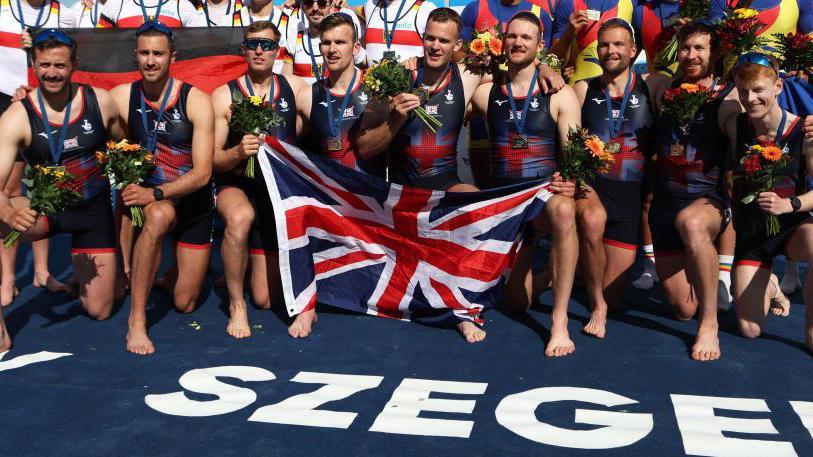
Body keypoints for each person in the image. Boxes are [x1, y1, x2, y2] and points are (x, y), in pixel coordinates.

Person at [470, 12, 580, 357]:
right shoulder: (487, 91)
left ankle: (559, 321)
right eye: (512, 36)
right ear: (502, 41)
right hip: (506, 202)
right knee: (519, 303)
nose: (518, 43)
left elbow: (575, 155)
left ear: (541, 45)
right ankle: (548, 272)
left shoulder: (560, 94)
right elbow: (451, 75)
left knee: (564, 211)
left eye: (526, 38)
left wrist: (570, 180)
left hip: (543, 197)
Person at [0, 30, 123, 324]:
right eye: (44, 65)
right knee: (2, 218)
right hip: (47, 209)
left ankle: (88, 277)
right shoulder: (17, 116)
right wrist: (7, 211)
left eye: (60, 66)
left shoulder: (100, 101)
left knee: (100, 311)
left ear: (74, 65)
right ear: (33, 64)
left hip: (93, 212)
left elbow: (126, 145)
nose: (52, 74)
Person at [110, 21, 214, 355]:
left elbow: (202, 173)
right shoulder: (122, 96)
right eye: (144, 53)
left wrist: (154, 193)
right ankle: (137, 320)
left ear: (173, 57)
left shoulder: (195, 99)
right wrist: (28, 95)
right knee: (155, 218)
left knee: (185, 302)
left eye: (158, 53)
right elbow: (80, 107)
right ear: (135, 55)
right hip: (155, 202)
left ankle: (167, 274)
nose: (151, 61)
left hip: (190, 200)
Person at [645, 22, 742, 361]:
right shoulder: (661, 87)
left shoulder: (728, 98)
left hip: (707, 204)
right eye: (686, 48)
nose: (691, 55)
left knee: (691, 224)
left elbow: (754, 121)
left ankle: (710, 324)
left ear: (713, 53)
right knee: (682, 309)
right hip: (664, 206)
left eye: (700, 48)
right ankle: (718, 278)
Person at [210, 21, 305, 338]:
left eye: (266, 44)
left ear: (278, 51)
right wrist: (237, 151)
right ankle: (237, 305)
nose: (259, 50)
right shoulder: (225, 94)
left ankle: (246, 267)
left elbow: (338, 100)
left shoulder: (296, 87)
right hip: (237, 185)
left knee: (266, 299)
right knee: (240, 217)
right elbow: (212, 159)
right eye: (253, 44)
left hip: (277, 194)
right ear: (243, 50)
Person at [724, 52, 813, 353]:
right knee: (750, 330)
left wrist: (790, 205)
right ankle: (772, 284)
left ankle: (812, 329)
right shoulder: (735, 125)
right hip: (753, 235)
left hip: (793, 228)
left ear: (777, 87)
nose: (750, 98)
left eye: (759, 89)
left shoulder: (804, 131)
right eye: (744, 90)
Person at [291, 12, 372, 338]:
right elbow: (287, 146)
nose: (332, 49)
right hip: (328, 201)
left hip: (369, 198)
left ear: (356, 48)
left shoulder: (376, 87)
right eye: (326, 43)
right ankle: (307, 308)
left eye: (340, 42)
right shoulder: (307, 95)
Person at [573, 18, 654, 339]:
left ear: (633, 50)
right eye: (604, 44)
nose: (611, 51)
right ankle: (597, 307)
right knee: (592, 221)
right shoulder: (584, 88)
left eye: (619, 44)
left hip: (630, 197)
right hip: (594, 187)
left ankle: (581, 268)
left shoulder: (654, 85)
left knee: (615, 296)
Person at [2, 0, 77, 307]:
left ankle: (42, 271)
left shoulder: (69, 15)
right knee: (8, 191)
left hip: (46, 104)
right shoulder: (4, 8)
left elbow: (75, 60)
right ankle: (7, 278)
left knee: (43, 187)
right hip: (7, 100)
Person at [288, 0, 365, 84]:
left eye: (322, 3)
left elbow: (364, 65)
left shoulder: (346, 32)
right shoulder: (294, 35)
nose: (315, 8)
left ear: (331, 6)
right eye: (309, 3)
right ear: (303, 7)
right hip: (305, 96)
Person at [232, 0, 297, 75]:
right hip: (237, 85)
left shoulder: (294, 25)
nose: (258, 51)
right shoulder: (225, 22)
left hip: (278, 85)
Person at [363, 0, 437, 63]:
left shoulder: (425, 8)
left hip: (414, 79)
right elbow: (364, 58)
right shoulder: (370, 5)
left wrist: (418, 63)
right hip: (371, 79)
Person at [98, 0, 201, 27]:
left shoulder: (183, 5)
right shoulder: (115, 3)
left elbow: (197, 50)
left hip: (170, 77)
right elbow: (98, 44)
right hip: (127, 77)